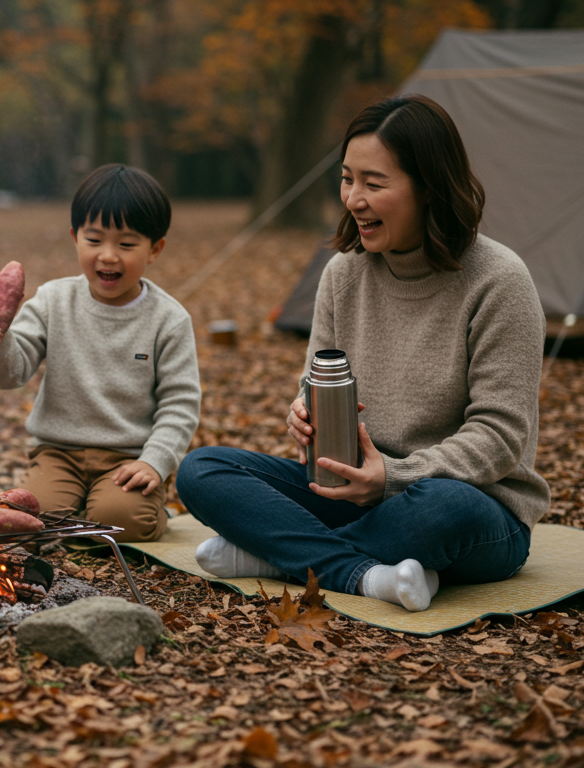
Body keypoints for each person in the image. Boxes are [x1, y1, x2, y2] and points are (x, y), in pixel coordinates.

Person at [176, 95, 548, 612]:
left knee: (441, 509)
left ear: (429, 187)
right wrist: (302, 414)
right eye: (348, 178)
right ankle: (363, 572)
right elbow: (316, 382)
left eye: (374, 183)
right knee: (202, 469)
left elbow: (500, 438)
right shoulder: (343, 274)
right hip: (348, 491)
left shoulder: (499, 281)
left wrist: (391, 478)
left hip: (474, 507)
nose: (353, 198)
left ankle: (277, 554)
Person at [0, 164, 201, 542]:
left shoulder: (169, 319)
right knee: (33, 521)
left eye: (126, 245)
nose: (108, 256)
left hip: (127, 459)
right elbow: (8, 375)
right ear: (74, 238)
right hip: (57, 453)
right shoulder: (52, 300)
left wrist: (154, 462)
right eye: (94, 240)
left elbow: (180, 403)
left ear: (155, 249)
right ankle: (78, 505)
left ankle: (125, 506)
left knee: (119, 523)